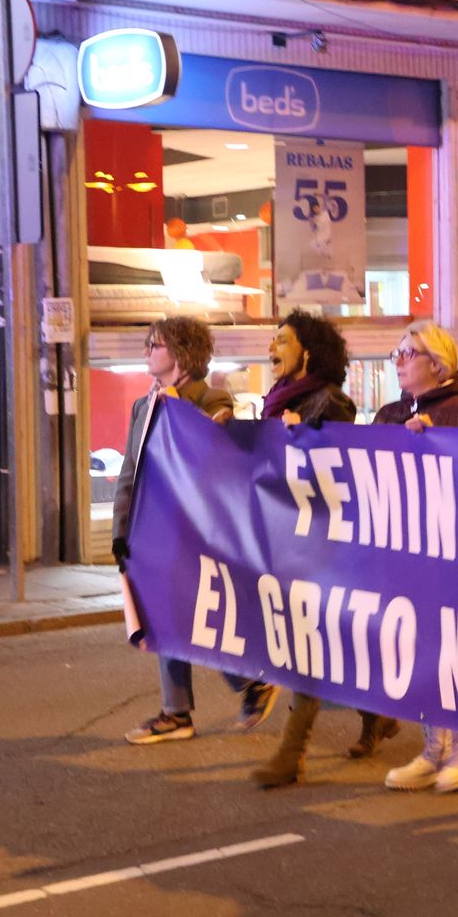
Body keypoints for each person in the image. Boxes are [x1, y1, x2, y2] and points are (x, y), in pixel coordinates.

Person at [250, 311, 398, 786]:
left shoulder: (330, 401)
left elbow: (337, 462)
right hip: (287, 537)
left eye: (282, 340)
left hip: (325, 543)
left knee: (307, 646)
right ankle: (376, 713)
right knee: (335, 642)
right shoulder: (278, 400)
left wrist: (306, 436)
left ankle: (291, 753)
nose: (271, 348)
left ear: (308, 352)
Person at [117, 317, 273, 744]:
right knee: (161, 613)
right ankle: (177, 712)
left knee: (203, 612)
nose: (147, 351)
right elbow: (130, 472)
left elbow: (219, 453)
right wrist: (119, 531)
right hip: (154, 528)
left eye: (155, 345)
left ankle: (250, 680)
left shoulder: (211, 398)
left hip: (199, 531)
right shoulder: (143, 406)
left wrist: (186, 413)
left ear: (182, 355)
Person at [374, 321, 458, 794]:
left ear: (438, 363)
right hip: (405, 548)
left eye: (409, 353)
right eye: (397, 353)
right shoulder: (389, 413)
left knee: (456, 643)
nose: (400, 361)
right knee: (421, 643)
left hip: (453, 550)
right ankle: (435, 746)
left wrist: (437, 442)